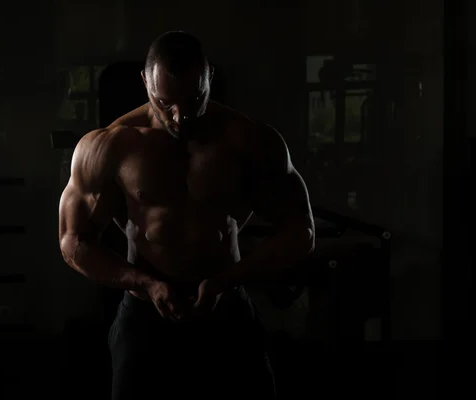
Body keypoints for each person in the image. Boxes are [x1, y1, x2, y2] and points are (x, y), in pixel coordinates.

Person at [59, 31, 315, 400]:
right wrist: (144, 282)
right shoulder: (110, 146)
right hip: (146, 317)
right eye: (165, 103)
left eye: (194, 100)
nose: (180, 117)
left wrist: (224, 281)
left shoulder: (250, 142)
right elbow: (73, 240)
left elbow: (300, 232)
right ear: (145, 81)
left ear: (209, 77)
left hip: (226, 313)